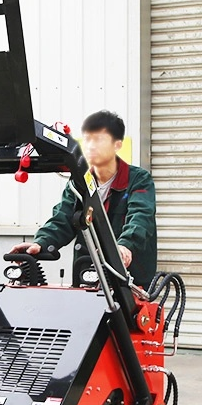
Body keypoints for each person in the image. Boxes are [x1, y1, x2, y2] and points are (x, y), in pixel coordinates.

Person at [10, 110, 157, 289]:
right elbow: (63, 218)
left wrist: (125, 246)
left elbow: (141, 217)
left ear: (117, 145)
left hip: (129, 277)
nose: (91, 146)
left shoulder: (138, 179)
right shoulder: (78, 182)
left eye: (99, 140)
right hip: (86, 272)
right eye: (87, 140)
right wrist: (41, 243)